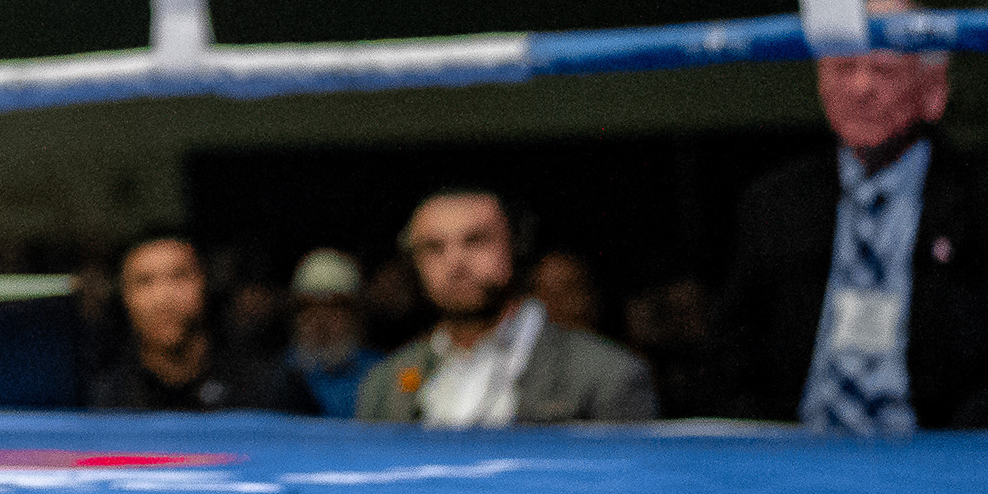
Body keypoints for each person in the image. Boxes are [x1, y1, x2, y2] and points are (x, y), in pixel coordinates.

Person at [720, 0, 988, 430]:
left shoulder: (980, 198)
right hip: (795, 448)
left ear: (934, 89)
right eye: (844, 68)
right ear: (822, 84)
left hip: (936, 450)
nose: (861, 88)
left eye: (883, 70)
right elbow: (732, 355)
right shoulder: (774, 202)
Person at [355, 190, 654, 426]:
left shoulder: (606, 375)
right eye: (433, 248)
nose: (455, 263)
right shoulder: (384, 384)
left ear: (516, 247)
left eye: (475, 241)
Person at [84, 231, 316, 413]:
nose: (163, 297)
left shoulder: (265, 387)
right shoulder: (108, 400)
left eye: (179, 276)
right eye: (145, 281)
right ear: (125, 296)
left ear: (205, 283)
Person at [282, 248, 380, 419]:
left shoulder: (380, 375)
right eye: (309, 307)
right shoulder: (277, 376)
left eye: (334, 307)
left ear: (355, 315)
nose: (321, 319)